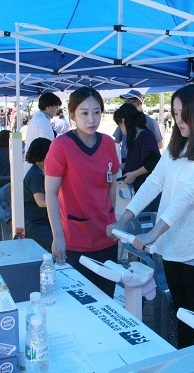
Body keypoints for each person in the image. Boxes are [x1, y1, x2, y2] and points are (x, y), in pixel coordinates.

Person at [107, 84, 194, 349]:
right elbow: (154, 182)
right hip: (171, 246)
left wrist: (153, 232)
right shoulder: (178, 146)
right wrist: (125, 218)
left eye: (184, 114)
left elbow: (190, 195)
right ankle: (185, 360)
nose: (178, 120)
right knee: (181, 314)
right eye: (174, 113)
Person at [45, 87, 120, 297]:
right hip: (75, 238)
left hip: (106, 235)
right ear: (72, 115)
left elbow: (112, 183)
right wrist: (58, 235)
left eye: (97, 112)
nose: (91, 119)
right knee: (80, 301)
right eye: (84, 113)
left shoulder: (108, 143)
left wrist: (112, 217)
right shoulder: (61, 146)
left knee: (106, 298)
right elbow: (50, 193)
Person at [113, 103, 161, 212]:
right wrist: (121, 166)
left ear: (123, 121)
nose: (120, 128)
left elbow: (154, 161)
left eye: (119, 124)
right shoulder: (133, 136)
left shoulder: (145, 136)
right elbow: (137, 161)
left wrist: (134, 174)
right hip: (138, 191)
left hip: (148, 192)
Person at [113, 89, 163, 162]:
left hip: (141, 163)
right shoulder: (123, 120)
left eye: (128, 102)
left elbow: (159, 144)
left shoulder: (151, 122)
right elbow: (116, 141)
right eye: (125, 102)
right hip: (125, 161)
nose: (125, 105)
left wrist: (140, 151)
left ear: (138, 103)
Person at [24, 137, 53, 251]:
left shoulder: (38, 171)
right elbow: (41, 202)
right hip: (34, 224)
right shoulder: (35, 175)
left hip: (40, 221)